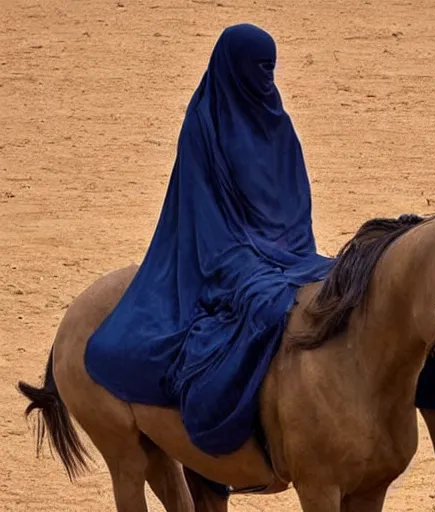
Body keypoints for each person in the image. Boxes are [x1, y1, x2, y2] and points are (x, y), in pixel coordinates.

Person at [84, 23, 333, 455]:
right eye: (257, 68)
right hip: (223, 249)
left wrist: (284, 251)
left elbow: (294, 205)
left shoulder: (278, 122)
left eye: (271, 68)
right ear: (233, 69)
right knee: (263, 301)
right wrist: (254, 254)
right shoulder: (204, 124)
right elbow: (202, 211)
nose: (266, 78)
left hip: (288, 251)